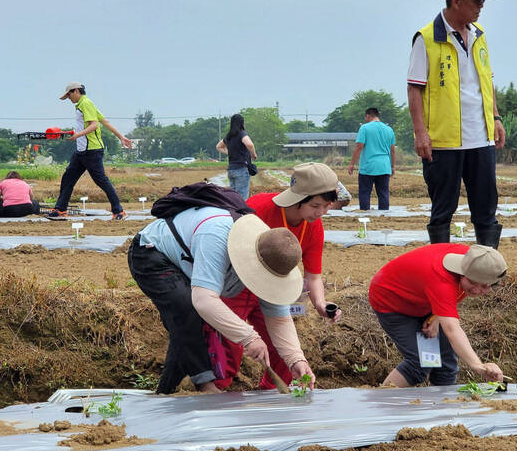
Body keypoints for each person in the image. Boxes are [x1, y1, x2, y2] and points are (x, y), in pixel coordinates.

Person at [129, 207, 316, 395]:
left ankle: (167, 391)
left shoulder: (276, 257)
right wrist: (250, 337)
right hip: (152, 252)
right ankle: (204, 384)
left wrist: (296, 360)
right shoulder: (216, 237)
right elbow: (203, 300)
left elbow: (279, 318)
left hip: (189, 260)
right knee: (187, 308)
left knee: (187, 321)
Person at [217, 163, 341, 390]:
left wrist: (320, 304)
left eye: (326, 206)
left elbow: (313, 276)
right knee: (229, 342)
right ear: (297, 199)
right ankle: (216, 393)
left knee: (282, 351)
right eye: (315, 205)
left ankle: (270, 395)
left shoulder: (313, 226)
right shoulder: (258, 208)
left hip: (274, 288)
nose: (321, 212)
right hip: (239, 283)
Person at [407, 0, 506, 248]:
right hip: (443, 142)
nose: (481, 7)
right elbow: (414, 88)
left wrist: (496, 117)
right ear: (457, 1)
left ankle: (487, 274)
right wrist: (420, 133)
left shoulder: (480, 35)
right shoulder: (426, 38)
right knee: (442, 211)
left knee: (486, 210)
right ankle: (439, 268)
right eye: (477, 1)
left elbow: (487, 80)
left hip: (481, 138)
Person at [369, 243, 506, 388]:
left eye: (485, 286)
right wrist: (478, 366)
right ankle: (383, 402)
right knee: (420, 362)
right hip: (391, 300)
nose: (478, 290)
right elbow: (452, 330)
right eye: (472, 282)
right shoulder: (442, 280)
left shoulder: (480, 260)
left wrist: (437, 316)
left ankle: (444, 407)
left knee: (446, 363)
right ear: (461, 271)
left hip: (425, 299)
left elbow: (445, 299)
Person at [47, 82, 132, 220]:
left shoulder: (86, 103)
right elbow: (105, 122)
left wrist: (77, 135)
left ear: (76, 91)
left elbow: (94, 125)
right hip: (81, 151)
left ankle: (119, 211)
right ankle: (60, 209)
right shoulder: (82, 105)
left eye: (69, 95)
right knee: (68, 178)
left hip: (92, 150)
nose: (69, 98)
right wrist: (121, 137)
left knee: (101, 180)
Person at [348, 108, 396, 211]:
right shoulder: (389, 129)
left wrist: (352, 164)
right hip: (384, 166)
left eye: (365, 117)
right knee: (383, 193)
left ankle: (365, 213)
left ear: (368, 116)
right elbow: (392, 151)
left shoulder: (364, 128)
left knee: (365, 192)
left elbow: (359, 147)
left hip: (368, 166)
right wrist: (392, 166)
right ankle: (384, 215)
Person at [216, 114, 257, 200]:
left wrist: (229, 152)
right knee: (241, 197)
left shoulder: (229, 136)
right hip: (241, 169)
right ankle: (242, 213)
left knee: (233, 197)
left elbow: (218, 146)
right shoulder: (242, 133)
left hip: (231, 170)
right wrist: (253, 154)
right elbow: (249, 144)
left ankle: (233, 213)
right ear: (242, 123)